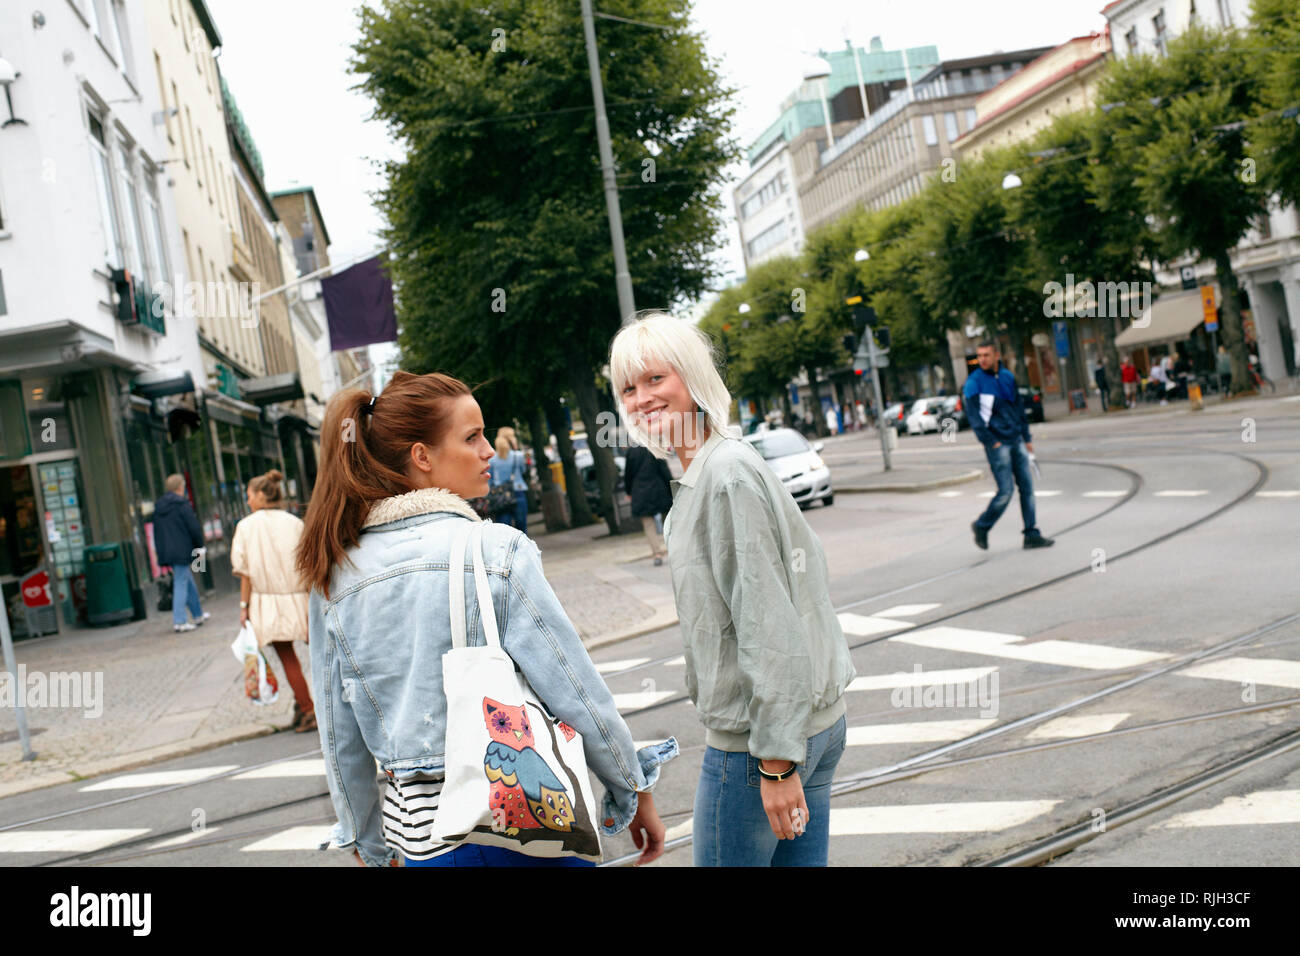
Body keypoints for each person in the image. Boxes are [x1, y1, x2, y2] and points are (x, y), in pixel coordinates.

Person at [296, 372, 673, 868]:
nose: (489, 450)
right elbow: (575, 690)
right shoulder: (496, 551)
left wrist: (365, 841)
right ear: (422, 456)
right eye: (472, 436)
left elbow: (339, 732)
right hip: (529, 827)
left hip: (426, 844)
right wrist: (630, 788)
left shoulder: (336, 574)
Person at [609, 313, 855, 867]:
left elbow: (767, 623)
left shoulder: (725, 476)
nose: (642, 398)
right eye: (628, 388)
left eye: (655, 379)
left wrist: (775, 763)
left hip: (758, 744)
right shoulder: (711, 470)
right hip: (806, 727)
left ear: (693, 377)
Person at [230, 469, 314, 732]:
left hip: (267, 602)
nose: (247, 501)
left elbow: (245, 574)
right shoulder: (294, 523)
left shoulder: (246, 527)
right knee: (322, 655)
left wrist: (244, 607)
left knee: (287, 657)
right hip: (301, 598)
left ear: (258, 495)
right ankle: (304, 707)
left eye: (249, 495)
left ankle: (308, 709)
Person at [962, 341, 1054, 551]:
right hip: (997, 444)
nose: (982, 359)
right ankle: (982, 525)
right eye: (979, 356)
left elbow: (1019, 410)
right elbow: (975, 419)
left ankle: (1031, 534)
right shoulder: (973, 383)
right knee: (1006, 491)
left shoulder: (1007, 378)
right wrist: (991, 442)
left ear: (997, 355)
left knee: (1027, 489)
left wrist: (1026, 437)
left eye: (986, 355)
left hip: (1016, 439)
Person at [152, 475, 209, 633]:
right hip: (183, 549)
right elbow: (193, 527)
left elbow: (157, 533)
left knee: (186, 580)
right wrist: (200, 546)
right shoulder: (181, 504)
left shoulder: (159, 507)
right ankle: (180, 621)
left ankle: (198, 615)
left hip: (168, 551)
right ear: (180, 487)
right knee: (181, 583)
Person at [623, 444, 672, 566]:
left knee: (648, 524)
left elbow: (628, 474)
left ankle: (657, 553)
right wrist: (671, 488)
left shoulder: (632, 452)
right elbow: (664, 470)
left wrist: (628, 491)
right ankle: (672, 549)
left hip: (640, 491)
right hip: (659, 489)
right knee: (667, 522)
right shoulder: (655, 447)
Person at [488, 429, 529, 535]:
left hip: (500, 495)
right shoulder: (518, 456)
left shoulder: (492, 460)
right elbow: (523, 470)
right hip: (518, 491)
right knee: (522, 529)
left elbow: (490, 480)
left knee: (504, 531)